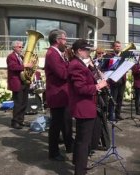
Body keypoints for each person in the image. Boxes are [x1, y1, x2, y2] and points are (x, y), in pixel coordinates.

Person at [68, 39, 108, 175]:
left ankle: (77, 162)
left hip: (86, 106)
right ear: (79, 50)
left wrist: (94, 70)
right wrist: (97, 86)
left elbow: (87, 80)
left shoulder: (80, 64)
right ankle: (80, 171)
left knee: (82, 139)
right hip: (83, 107)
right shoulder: (75, 65)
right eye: (87, 50)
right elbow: (80, 88)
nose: (89, 53)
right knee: (83, 142)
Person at [45, 29, 73, 161]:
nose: (66, 42)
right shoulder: (52, 54)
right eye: (65, 39)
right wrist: (74, 67)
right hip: (56, 95)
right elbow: (62, 74)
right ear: (57, 40)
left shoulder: (59, 53)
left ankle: (69, 145)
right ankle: (53, 152)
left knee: (66, 122)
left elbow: (64, 69)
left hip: (62, 94)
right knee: (56, 125)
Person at [7, 40, 33, 129]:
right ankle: (15, 122)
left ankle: (21, 121)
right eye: (20, 47)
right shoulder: (11, 57)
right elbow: (12, 67)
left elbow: (26, 69)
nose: (21, 49)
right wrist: (25, 65)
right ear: (14, 47)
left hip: (24, 82)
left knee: (24, 103)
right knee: (18, 103)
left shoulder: (21, 56)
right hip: (17, 82)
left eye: (22, 47)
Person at [106, 41, 125, 121]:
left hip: (122, 79)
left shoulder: (123, 56)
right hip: (114, 80)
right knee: (113, 98)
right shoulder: (110, 56)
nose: (118, 47)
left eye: (119, 46)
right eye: (117, 46)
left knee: (120, 98)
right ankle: (111, 115)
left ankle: (118, 114)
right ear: (113, 47)